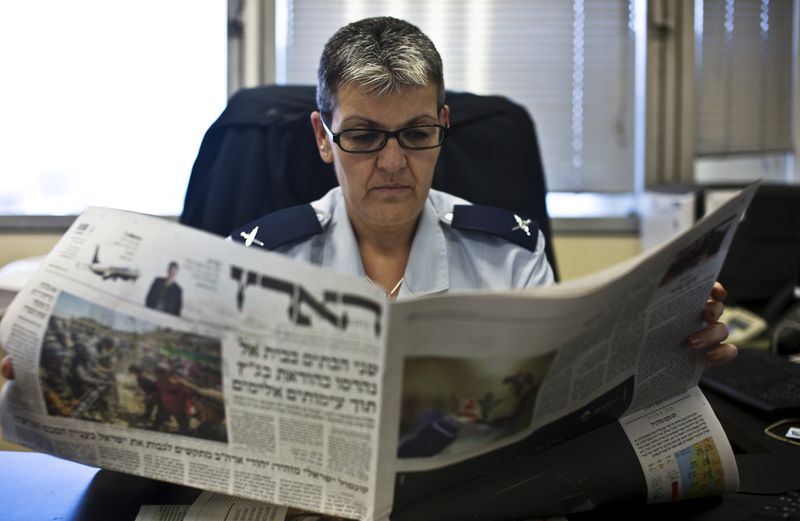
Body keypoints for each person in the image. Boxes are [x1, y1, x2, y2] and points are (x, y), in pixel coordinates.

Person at [0, 17, 734, 377]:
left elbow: (567, 390)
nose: (392, 162)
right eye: (362, 136)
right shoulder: (259, 256)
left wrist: (669, 347)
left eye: (415, 133)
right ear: (323, 138)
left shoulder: (509, 252)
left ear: (443, 128)